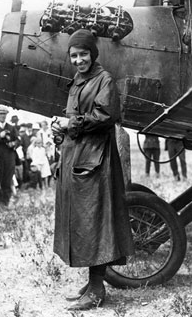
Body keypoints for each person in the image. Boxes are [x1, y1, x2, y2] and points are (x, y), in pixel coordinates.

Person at [51, 29, 134, 311]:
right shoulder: (77, 81)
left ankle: (97, 290)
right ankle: (92, 282)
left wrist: (70, 125)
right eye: (73, 55)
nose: (78, 60)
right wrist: (59, 128)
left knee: (94, 222)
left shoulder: (104, 80)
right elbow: (75, 118)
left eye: (83, 54)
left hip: (96, 162)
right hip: (78, 159)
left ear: (93, 53)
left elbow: (105, 116)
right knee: (83, 224)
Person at [0, 106, 20, 205]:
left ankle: (6, 201)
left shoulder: (11, 127)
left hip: (9, 157)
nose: (2, 116)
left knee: (8, 178)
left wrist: (14, 144)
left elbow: (18, 140)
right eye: (0, 114)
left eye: (4, 114)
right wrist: (0, 136)